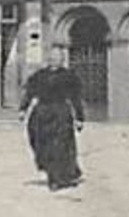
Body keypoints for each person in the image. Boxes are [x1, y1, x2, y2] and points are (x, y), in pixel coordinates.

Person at [20, 54, 85, 191]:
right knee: (41, 143)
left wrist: (79, 117)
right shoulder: (39, 76)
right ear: (48, 61)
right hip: (41, 113)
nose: (54, 61)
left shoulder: (69, 76)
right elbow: (29, 93)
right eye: (52, 59)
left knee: (60, 146)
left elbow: (76, 98)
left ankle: (56, 178)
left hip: (60, 113)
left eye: (57, 59)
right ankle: (57, 173)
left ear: (62, 61)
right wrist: (23, 109)